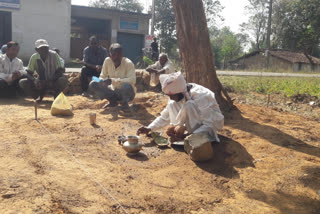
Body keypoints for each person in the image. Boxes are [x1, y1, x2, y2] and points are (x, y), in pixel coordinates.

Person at [137, 72, 224, 143]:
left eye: (172, 95)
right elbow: (165, 116)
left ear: (181, 92)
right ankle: (178, 134)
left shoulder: (202, 96)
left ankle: (193, 138)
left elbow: (210, 124)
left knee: (189, 105)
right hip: (193, 125)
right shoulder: (178, 92)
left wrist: (188, 136)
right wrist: (149, 128)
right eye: (168, 95)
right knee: (172, 104)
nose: (170, 98)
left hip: (208, 127)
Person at [88, 43, 136, 109]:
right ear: (109, 54)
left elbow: (132, 80)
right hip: (112, 91)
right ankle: (113, 102)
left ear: (122, 54)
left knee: (126, 86)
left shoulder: (128, 63)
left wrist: (114, 80)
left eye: (119, 54)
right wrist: (102, 81)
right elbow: (102, 76)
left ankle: (124, 104)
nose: (116, 57)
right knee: (93, 83)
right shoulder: (107, 61)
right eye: (114, 55)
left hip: (127, 93)